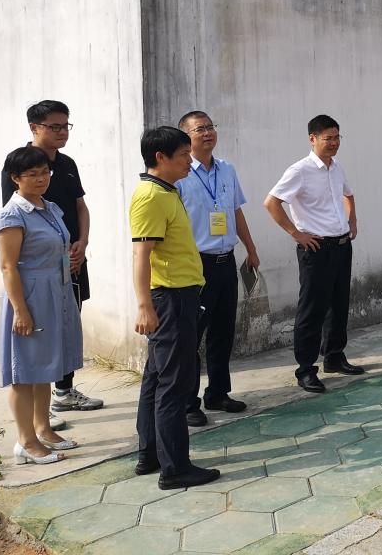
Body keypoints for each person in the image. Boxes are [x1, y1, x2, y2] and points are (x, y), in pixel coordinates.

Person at [1, 100, 102, 431]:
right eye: (54, 126)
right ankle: (33, 423)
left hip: (69, 259)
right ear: (35, 128)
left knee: (67, 324)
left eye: (65, 126)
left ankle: (63, 390)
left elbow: (80, 206)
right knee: (35, 343)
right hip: (38, 271)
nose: (62, 132)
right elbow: (15, 236)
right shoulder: (19, 164)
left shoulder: (67, 164)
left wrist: (82, 242)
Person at [130, 127, 219, 490]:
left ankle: (151, 454)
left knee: (156, 378)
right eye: (183, 155)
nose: (189, 160)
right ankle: (175, 468)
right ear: (160, 158)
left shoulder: (167, 190)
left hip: (178, 295)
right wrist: (144, 306)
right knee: (174, 384)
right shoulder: (151, 196)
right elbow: (141, 255)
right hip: (171, 299)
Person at [0, 146, 83, 465]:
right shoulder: (12, 215)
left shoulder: (50, 207)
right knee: (25, 371)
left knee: (47, 366)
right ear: (15, 178)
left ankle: (43, 428)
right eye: (32, 174)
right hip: (30, 296)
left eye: (45, 172)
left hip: (56, 291)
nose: (41, 179)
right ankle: (26, 442)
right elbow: (8, 266)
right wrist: (20, 310)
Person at [264, 115, 363, 394]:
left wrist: (352, 221)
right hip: (316, 248)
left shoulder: (337, 167)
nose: (334, 143)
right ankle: (306, 369)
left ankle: (334, 356)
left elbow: (348, 195)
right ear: (313, 139)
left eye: (337, 137)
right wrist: (296, 234)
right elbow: (271, 203)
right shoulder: (300, 170)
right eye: (328, 138)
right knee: (312, 309)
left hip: (342, 245)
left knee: (339, 303)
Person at [175, 111, 260, 427]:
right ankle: (188, 402)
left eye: (210, 127)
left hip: (226, 261)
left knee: (223, 332)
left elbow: (235, 210)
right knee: (191, 335)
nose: (208, 133)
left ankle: (218, 393)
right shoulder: (181, 174)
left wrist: (250, 248)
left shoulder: (227, 169)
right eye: (200, 129)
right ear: (186, 136)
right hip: (196, 264)